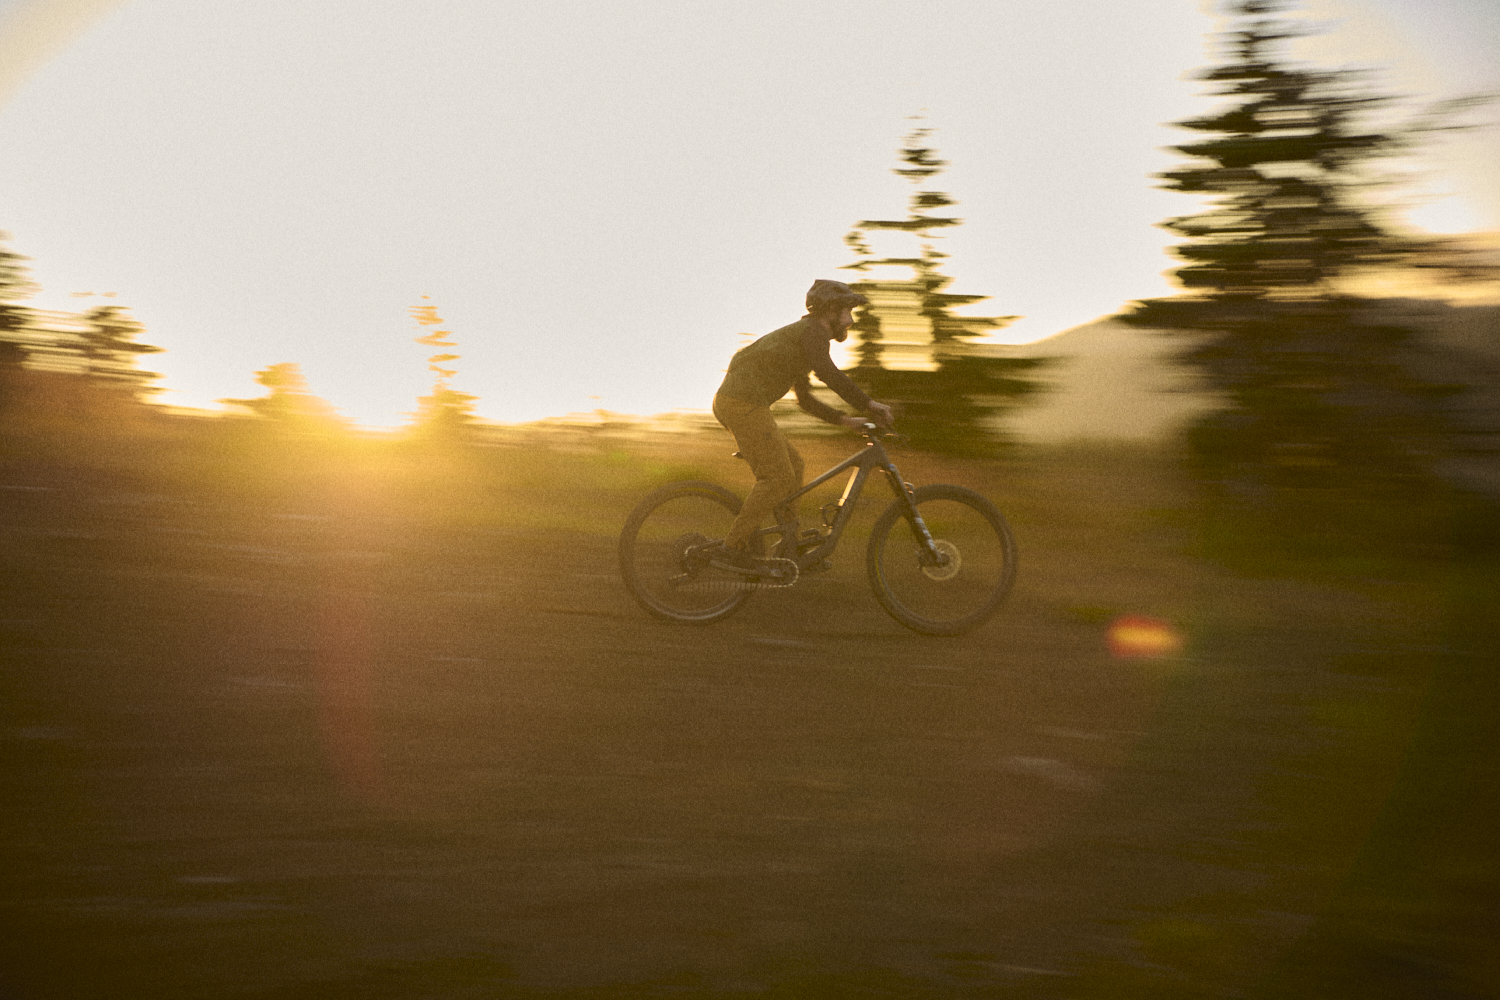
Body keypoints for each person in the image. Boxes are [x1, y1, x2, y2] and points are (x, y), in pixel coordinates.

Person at [709, 279, 894, 571]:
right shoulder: (812, 334)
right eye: (847, 311)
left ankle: (789, 548)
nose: (851, 320)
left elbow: (805, 400)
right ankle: (729, 548)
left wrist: (846, 420)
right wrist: (869, 405)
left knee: (793, 466)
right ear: (830, 311)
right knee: (777, 477)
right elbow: (829, 374)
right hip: (741, 402)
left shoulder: (801, 340)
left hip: (738, 402)